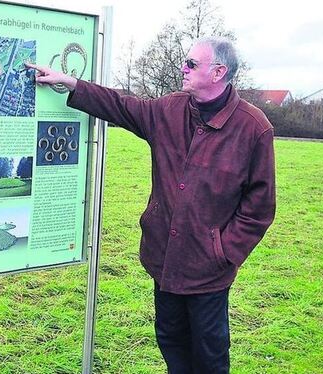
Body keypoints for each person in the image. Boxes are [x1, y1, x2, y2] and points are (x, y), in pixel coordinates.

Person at [27, 37, 276, 373]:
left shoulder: (253, 128)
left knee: (210, 355)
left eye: (191, 64)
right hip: (163, 259)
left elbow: (259, 208)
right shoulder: (169, 110)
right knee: (170, 340)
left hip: (208, 271)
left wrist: (223, 252)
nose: (182, 68)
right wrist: (70, 83)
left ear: (218, 72)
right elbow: (121, 105)